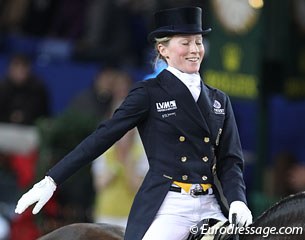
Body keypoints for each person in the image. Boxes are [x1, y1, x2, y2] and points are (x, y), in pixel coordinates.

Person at [15, 6, 252, 240]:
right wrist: (52, 179)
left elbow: (230, 161)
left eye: (198, 42)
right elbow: (103, 136)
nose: (194, 50)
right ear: (164, 49)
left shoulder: (219, 100)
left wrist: (238, 201)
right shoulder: (149, 93)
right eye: (185, 43)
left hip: (210, 205)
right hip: (170, 206)